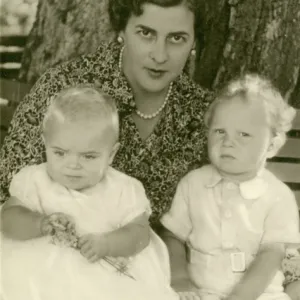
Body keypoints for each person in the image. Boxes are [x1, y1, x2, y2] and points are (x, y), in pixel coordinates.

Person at [0, 0, 298, 297]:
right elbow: (10, 195)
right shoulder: (65, 89)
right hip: (48, 267)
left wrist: (290, 276)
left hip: (147, 278)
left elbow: (244, 204)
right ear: (122, 30)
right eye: (145, 33)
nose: (159, 54)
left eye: (177, 38)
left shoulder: (204, 116)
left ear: (194, 41)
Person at [1, 85, 179, 300]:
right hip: (39, 275)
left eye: (88, 156)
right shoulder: (35, 180)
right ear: (45, 144)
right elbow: (7, 219)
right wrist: (38, 223)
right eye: (60, 153)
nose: (73, 165)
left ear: (111, 154)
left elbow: (140, 234)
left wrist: (108, 244)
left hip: (101, 280)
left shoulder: (123, 189)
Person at [161, 74, 300, 300]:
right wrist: (179, 279)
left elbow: (271, 254)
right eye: (219, 131)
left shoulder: (277, 196)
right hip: (199, 292)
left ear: (272, 146)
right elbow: (172, 235)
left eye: (244, 135)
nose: (228, 142)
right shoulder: (193, 184)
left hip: (259, 295)